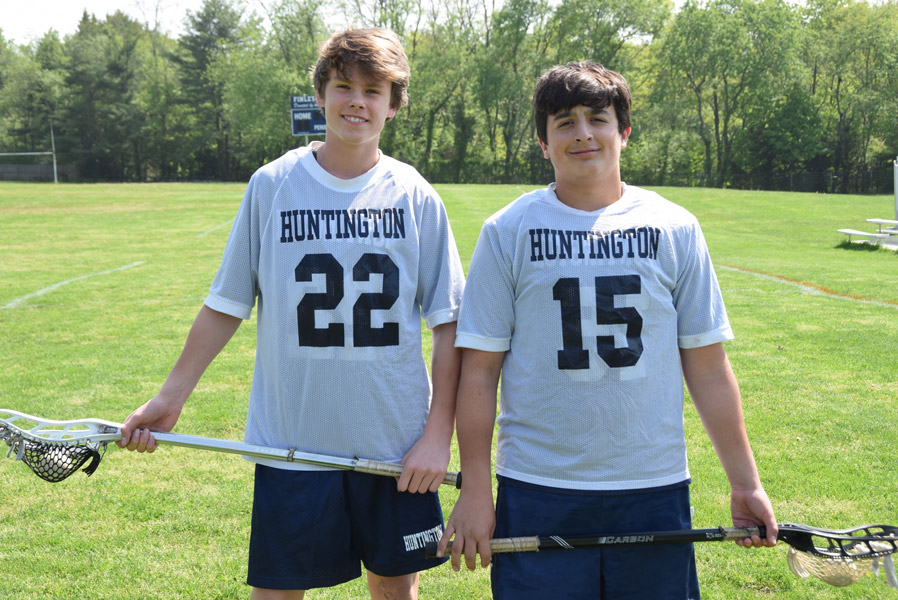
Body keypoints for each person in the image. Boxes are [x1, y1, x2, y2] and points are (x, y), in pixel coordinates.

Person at [117, 28, 465, 600]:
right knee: (278, 591)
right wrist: (171, 396)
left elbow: (448, 323)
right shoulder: (274, 185)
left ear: (394, 104)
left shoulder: (414, 195)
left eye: (373, 90)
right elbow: (225, 305)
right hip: (292, 440)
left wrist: (436, 434)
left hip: (393, 444)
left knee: (395, 586)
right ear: (321, 95)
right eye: (343, 86)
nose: (357, 101)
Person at [435, 61, 777, 599]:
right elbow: (479, 372)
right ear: (543, 142)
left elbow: (708, 368)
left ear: (624, 131)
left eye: (597, 118)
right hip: (539, 484)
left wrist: (746, 482)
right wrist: (477, 486)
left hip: (652, 483)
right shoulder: (508, 230)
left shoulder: (675, 227)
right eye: (564, 122)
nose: (583, 133)